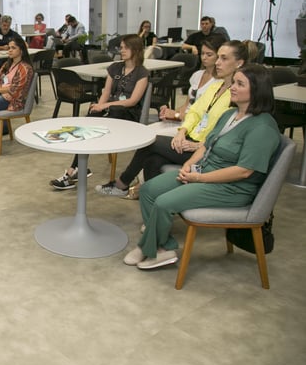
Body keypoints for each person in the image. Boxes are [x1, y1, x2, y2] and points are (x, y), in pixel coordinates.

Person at [123, 64, 280, 269]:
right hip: (203, 171)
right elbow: (206, 145)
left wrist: (199, 178)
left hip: (231, 187)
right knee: (149, 190)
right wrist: (189, 165)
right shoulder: (230, 115)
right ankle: (162, 247)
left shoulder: (263, 128)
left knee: (163, 203)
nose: (232, 87)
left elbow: (244, 171)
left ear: (257, 90)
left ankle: (148, 248)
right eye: (234, 82)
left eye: (240, 84)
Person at [95, 39, 250, 198]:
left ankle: (122, 184)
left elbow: (229, 134)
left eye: (223, 59)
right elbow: (195, 112)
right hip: (190, 138)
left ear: (239, 63)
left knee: (150, 141)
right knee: (152, 160)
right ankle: (153, 207)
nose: (218, 62)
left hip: (205, 150)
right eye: (218, 57)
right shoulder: (216, 87)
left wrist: (198, 145)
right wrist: (181, 132)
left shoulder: (238, 96)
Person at [51, 34, 149, 190]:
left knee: (110, 112)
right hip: (110, 110)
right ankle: (74, 169)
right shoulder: (115, 67)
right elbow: (106, 92)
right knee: (91, 118)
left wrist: (104, 107)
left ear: (135, 49)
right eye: (121, 47)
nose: (121, 50)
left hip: (128, 114)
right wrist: (99, 106)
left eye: (125, 48)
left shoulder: (142, 73)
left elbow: (133, 101)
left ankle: (76, 170)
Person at [152, 34, 226, 136]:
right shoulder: (197, 75)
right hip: (182, 119)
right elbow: (186, 105)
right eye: (202, 53)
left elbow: (204, 116)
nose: (204, 57)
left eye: (209, 55)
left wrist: (177, 115)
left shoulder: (219, 83)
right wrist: (170, 112)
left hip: (195, 127)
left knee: (153, 135)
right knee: (146, 130)